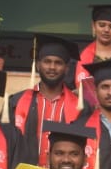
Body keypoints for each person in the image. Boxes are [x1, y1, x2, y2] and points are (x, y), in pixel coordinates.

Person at [11, 34, 81, 162]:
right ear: (38, 65)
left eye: (58, 63)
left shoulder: (80, 107)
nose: (52, 67)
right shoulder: (15, 102)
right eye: (47, 61)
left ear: (67, 69)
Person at [75, 3, 111, 107]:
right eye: (102, 25)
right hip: (85, 112)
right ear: (93, 26)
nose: (106, 30)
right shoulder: (77, 58)